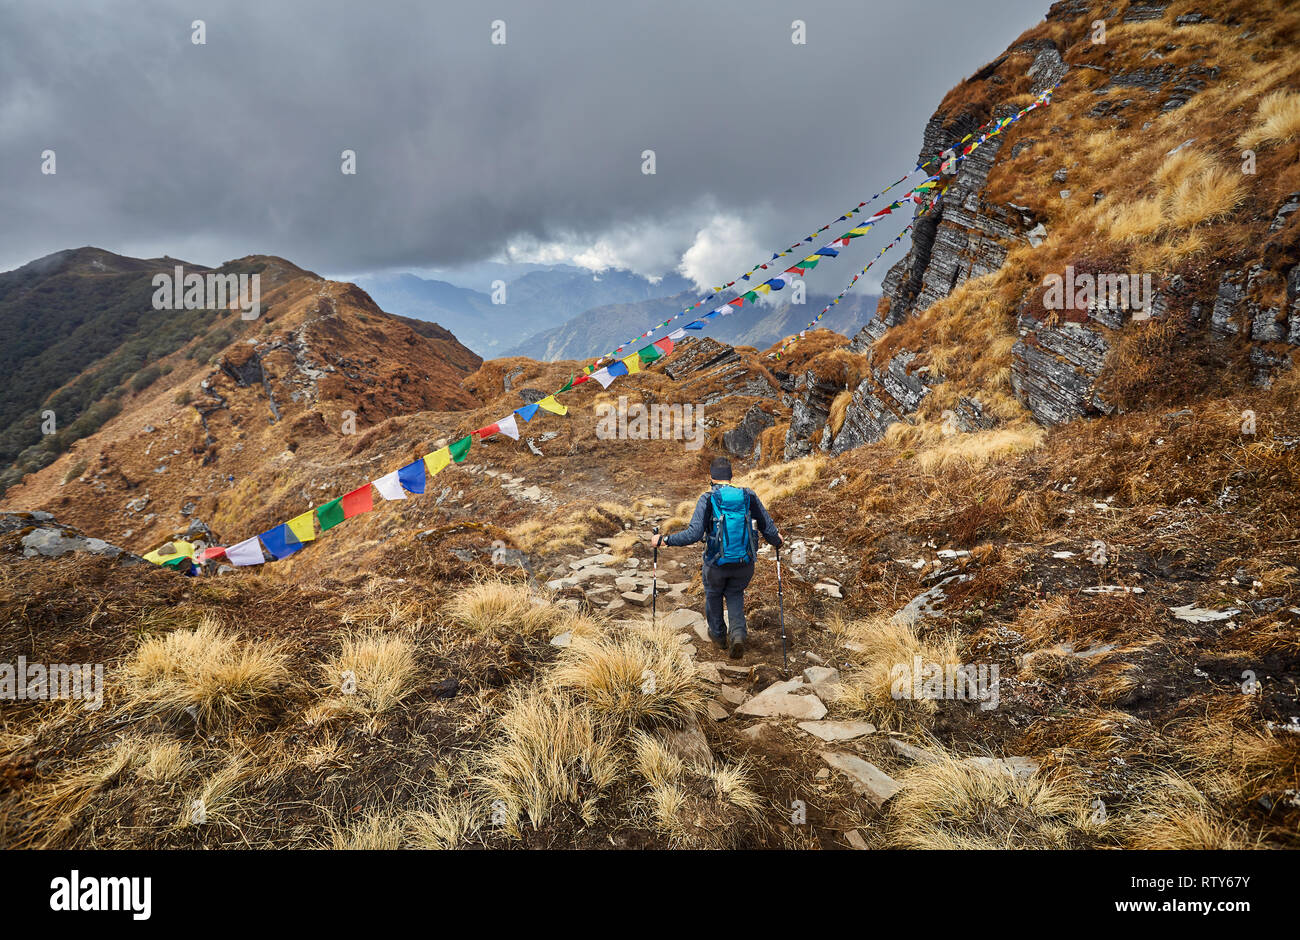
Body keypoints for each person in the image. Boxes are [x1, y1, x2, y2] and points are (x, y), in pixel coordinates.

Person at [650, 456, 782, 659]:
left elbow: (693, 534)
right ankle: (738, 634)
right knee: (735, 593)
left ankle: (718, 636)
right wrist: (777, 540)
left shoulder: (708, 498)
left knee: (713, 593)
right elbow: (767, 526)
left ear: (711, 477)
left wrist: (665, 540)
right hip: (744, 562)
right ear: (731, 476)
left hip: (716, 563)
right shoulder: (748, 495)